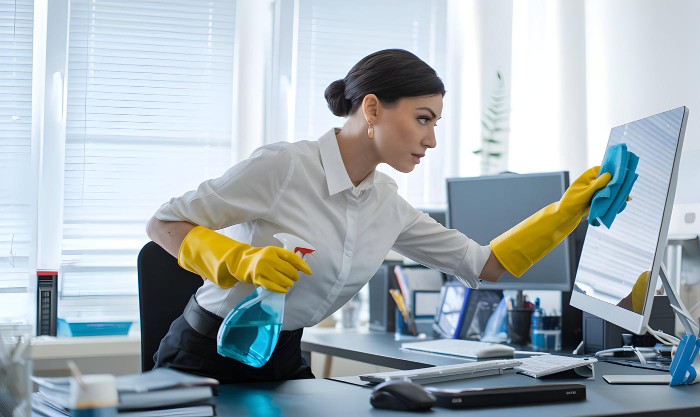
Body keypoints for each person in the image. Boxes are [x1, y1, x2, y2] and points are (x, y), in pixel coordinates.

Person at [145, 49, 611, 384]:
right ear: (372, 108)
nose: (431, 140)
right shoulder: (284, 166)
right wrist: (237, 259)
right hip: (202, 356)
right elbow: (164, 223)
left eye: (435, 124)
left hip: (281, 359)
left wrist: (568, 210)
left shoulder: (387, 204)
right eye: (423, 119)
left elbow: (483, 264)